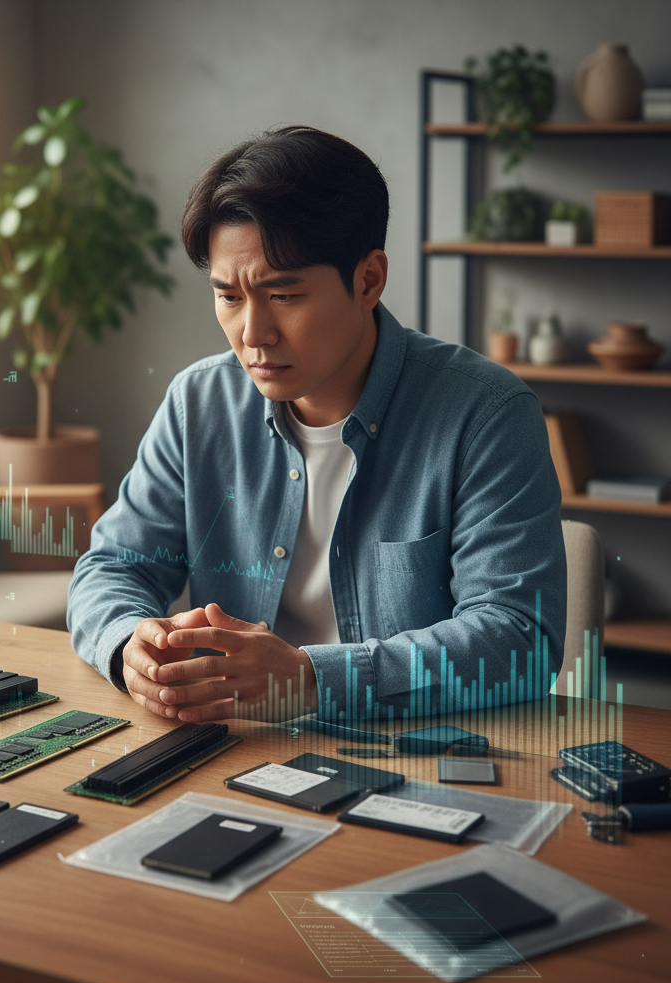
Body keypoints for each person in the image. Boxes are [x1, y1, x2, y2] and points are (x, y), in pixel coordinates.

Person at [67, 126, 565, 725]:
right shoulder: (198, 403)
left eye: (283, 296)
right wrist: (128, 644)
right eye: (229, 297)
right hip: (234, 746)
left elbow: (519, 638)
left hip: (410, 749)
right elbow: (113, 568)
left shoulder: (486, 413)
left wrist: (309, 679)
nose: (253, 334)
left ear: (369, 280)